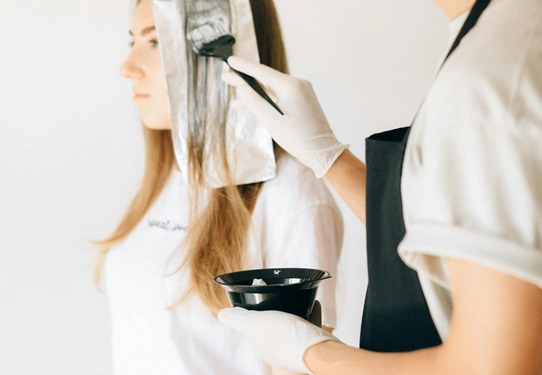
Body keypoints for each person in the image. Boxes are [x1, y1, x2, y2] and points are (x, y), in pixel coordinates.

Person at [218, 0, 542, 373]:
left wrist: (312, 354)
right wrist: (330, 158)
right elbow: (459, 234)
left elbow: (491, 368)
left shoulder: (491, 77)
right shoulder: (499, 34)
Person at [95, 0, 343, 374]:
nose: (127, 68)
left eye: (156, 42)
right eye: (132, 41)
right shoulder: (168, 179)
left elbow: (303, 365)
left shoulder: (290, 193)